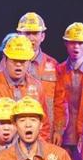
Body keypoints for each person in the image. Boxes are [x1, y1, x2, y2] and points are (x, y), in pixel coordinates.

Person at [0, 35, 49, 149]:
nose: (18, 64)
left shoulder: (36, 87)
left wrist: (39, 151)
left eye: (23, 61)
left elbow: (43, 124)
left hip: (27, 151)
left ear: (29, 62)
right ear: (5, 59)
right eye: (14, 60)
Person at [16, 12, 66, 145]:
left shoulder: (53, 65)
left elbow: (59, 101)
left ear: (42, 36)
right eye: (27, 33)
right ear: (19, 35)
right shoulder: (8, 63)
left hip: (45, 132)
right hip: (18, 131)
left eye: (35, 33)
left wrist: (58, 130)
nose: (31, 38)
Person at [57, 22, 83, 160]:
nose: (76, 47)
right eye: (72, 42)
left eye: (80, 43)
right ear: (66, 44)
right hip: (62, 136)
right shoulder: (58, 70)